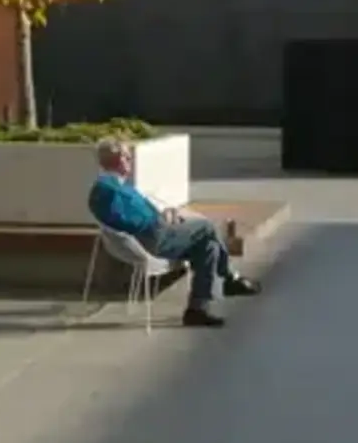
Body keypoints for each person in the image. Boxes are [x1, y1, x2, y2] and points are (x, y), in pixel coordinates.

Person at [87, 136, 262, 328]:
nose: (131, 161)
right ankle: (228, 278)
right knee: (206, 226)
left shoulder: (112, 187)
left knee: (208, 246)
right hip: (154, 238)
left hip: (153, 234)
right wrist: (164, 220)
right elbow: (134, 221)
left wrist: (164, 215)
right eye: (128, 157)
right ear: (119, 159)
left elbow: (135, 215)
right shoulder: (110, 190)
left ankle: (197, 310)